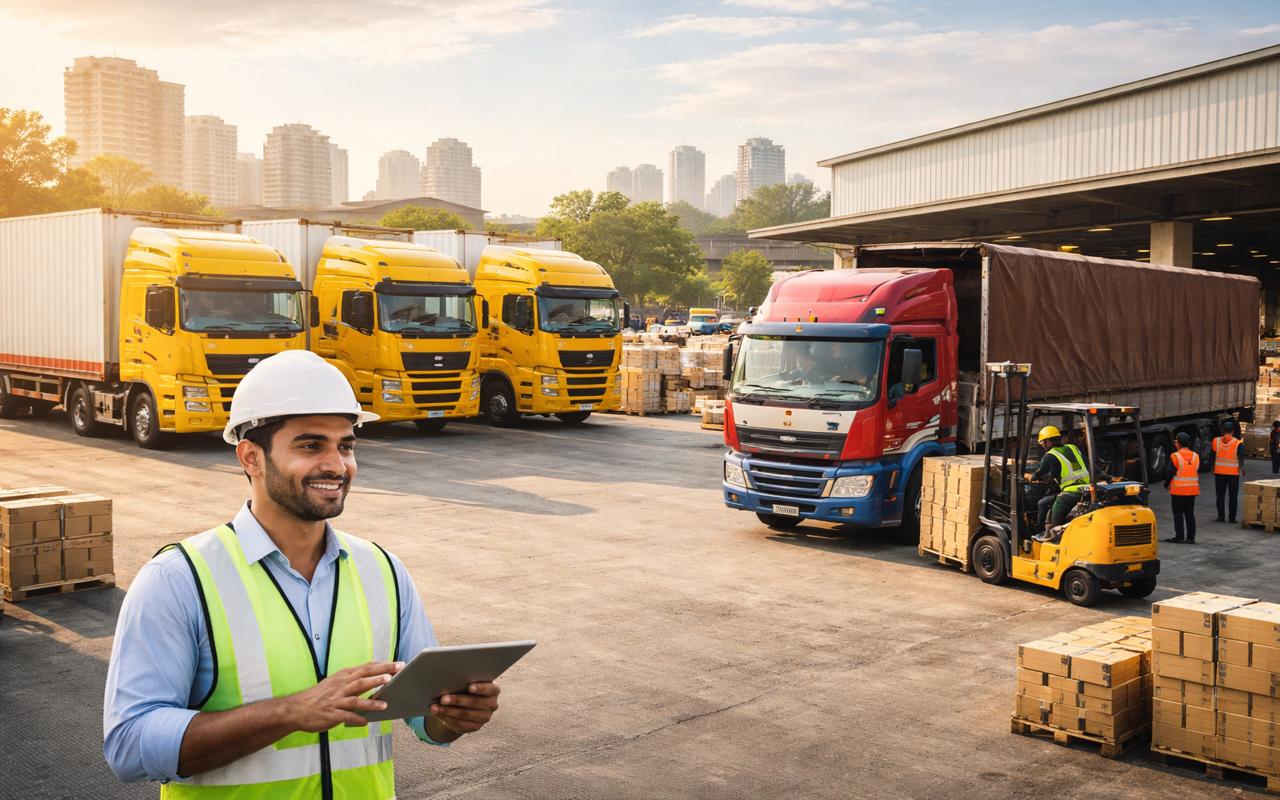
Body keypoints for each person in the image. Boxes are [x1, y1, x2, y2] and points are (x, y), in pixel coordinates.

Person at [103, 351, 502, 797]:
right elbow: (130, 746)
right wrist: (291, 713)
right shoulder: (180, 580)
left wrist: (452, 718)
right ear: (251, 458)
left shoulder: (384, 572)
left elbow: (425, 718)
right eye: (311, 445)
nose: (337, 465)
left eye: (345, 445)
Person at [1025, 425, 1091, 534]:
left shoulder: (1050, 455)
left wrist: (1028, 476)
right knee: (1045, 502)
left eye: (1042, 443)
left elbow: (1038, 473)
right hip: (1086, 490)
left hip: (1069, 494)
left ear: (1047, 442)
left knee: (1045, 509)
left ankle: (1041, 534)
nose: (1043, 446)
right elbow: (1082, 464)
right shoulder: (1072, 448)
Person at [1165, 431, 1201, 543]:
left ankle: (1179, 537)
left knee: (1178, 514)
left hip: (1178, 491)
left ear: (1178, 443)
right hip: (1192, 490)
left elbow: (1170, 472)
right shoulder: (1196, 456)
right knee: (1189, 514)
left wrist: (1166, 484)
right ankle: (1191, 538)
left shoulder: (1175, 456)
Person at [1211, 421, 1244, 523]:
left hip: (1219, 473)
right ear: (1233, 431)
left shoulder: (1216, 441)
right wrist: (1240, 467)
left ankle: (1221, 517)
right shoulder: (1238, 443)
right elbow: (1241, 456)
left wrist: (1213, 467)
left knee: (1220, 496)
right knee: (1233, 496)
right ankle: (1232, 518)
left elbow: (1213, 455)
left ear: (1222, 430)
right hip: (1233, 474)